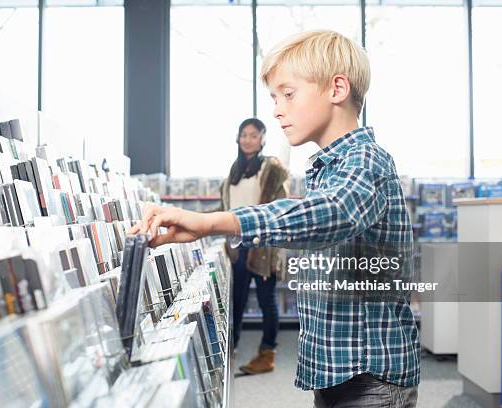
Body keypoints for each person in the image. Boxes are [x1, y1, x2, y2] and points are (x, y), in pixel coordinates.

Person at [133, 30, 420, 408]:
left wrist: (212, 222)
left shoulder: (365, 160)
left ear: (337, 89)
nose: (277, 109)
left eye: (288, 93)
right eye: (274, 97)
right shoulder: (329, 166)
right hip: (340, 373)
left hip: (370, 376)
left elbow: (331, 214)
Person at [221, 117, 289, 374]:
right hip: (237, 247)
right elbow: (226, 208)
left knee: (266, 301)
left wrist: (275, 254)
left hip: (263, 246)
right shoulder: (234, 171)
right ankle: (231, 349)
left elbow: (280, 211)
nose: (248, 139)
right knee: (235, 301)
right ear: (237, 138)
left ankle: (267, 355)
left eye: (253, 135)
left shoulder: (271, 169)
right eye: (243, 135)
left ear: (262, 139)